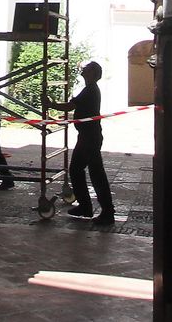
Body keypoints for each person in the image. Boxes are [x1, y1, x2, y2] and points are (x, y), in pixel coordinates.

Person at [47, 61, 114, 225]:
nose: (84, 70)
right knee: (78, 170)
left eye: (87, 68)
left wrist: (51, 104)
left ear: (93, 73)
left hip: (89, 138)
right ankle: (87, 207)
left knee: (94, 173)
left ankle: (106, 212)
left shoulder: (90, 89)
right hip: (87, 136)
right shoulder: (90, 89)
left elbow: (70, 106)